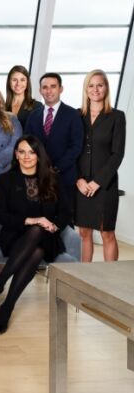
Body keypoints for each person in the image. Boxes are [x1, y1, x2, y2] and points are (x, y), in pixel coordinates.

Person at [0, 135, 71, 334]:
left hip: (47, 237)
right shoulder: (6, 179)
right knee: (36, 251)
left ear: (39, 155)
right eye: (21, 152)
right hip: (14, 235)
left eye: (31, 152)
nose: (26, 156)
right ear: (16, 154)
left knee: (39, 238)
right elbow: (0, 215)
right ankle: (7, 306)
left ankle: (0, 283)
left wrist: (54, 225)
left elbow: (66, 212)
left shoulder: (53, 178)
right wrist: (33, 220)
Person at [74, 70, 126, 262]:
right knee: (84, 233)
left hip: (105, 184)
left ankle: (109, 276)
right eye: (91, 85)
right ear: (85, 89)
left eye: (100, 85)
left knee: (107, 233)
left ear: (106, 88)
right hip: (81, 184)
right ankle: (83, 274)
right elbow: (72, 151)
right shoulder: (77, 116)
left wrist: (98, 182)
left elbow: (117, 154)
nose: (95, 89)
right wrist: (78, 179)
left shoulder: (117, 117)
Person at [23, 73, 83, 200]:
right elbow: (27, 144)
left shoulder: (73, 115)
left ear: (61, 89)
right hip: (37, 177)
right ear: (40, 90)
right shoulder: (33, 116)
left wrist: (56, 168)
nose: (49, 91)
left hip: (64, 177)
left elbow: (76, 146)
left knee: (64, 212)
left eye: (53, 86)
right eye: (45, 87)